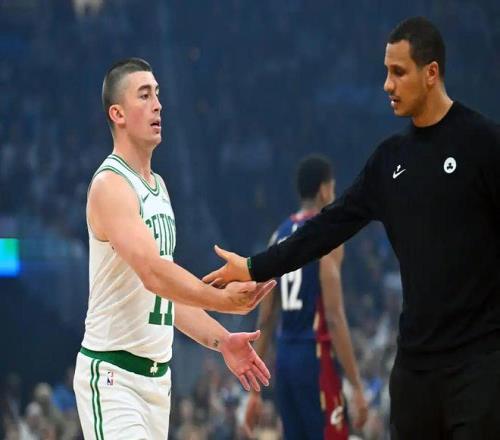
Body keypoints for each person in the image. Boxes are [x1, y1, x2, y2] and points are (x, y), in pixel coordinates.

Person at [204, 16, 500, 440]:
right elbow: (325, 227)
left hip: (479, 362)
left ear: (431, 73)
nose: (387, 84)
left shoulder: (483, 143)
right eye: (386, 72)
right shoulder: (389, 160)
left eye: (398, 72)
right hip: (416, 367)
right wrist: (254, 266)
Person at [73, 58, 276, 439]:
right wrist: (223, 301)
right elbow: (154, 274)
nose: (158, 105)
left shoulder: (159, 187)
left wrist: (222, 340)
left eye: (158, 94)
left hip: (157, 382)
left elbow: (165, 294)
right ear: (117, 113)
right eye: (144, 95)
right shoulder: (111, 185)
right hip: (113, 377)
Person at [243, 155, 368, 439]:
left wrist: (253, 391)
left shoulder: (278, 235)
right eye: (333, 188)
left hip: (285, 359)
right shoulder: (328, 232)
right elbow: (334, 317)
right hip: (315, 357)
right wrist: (357, 385)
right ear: (324, 190)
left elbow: (265, 317)